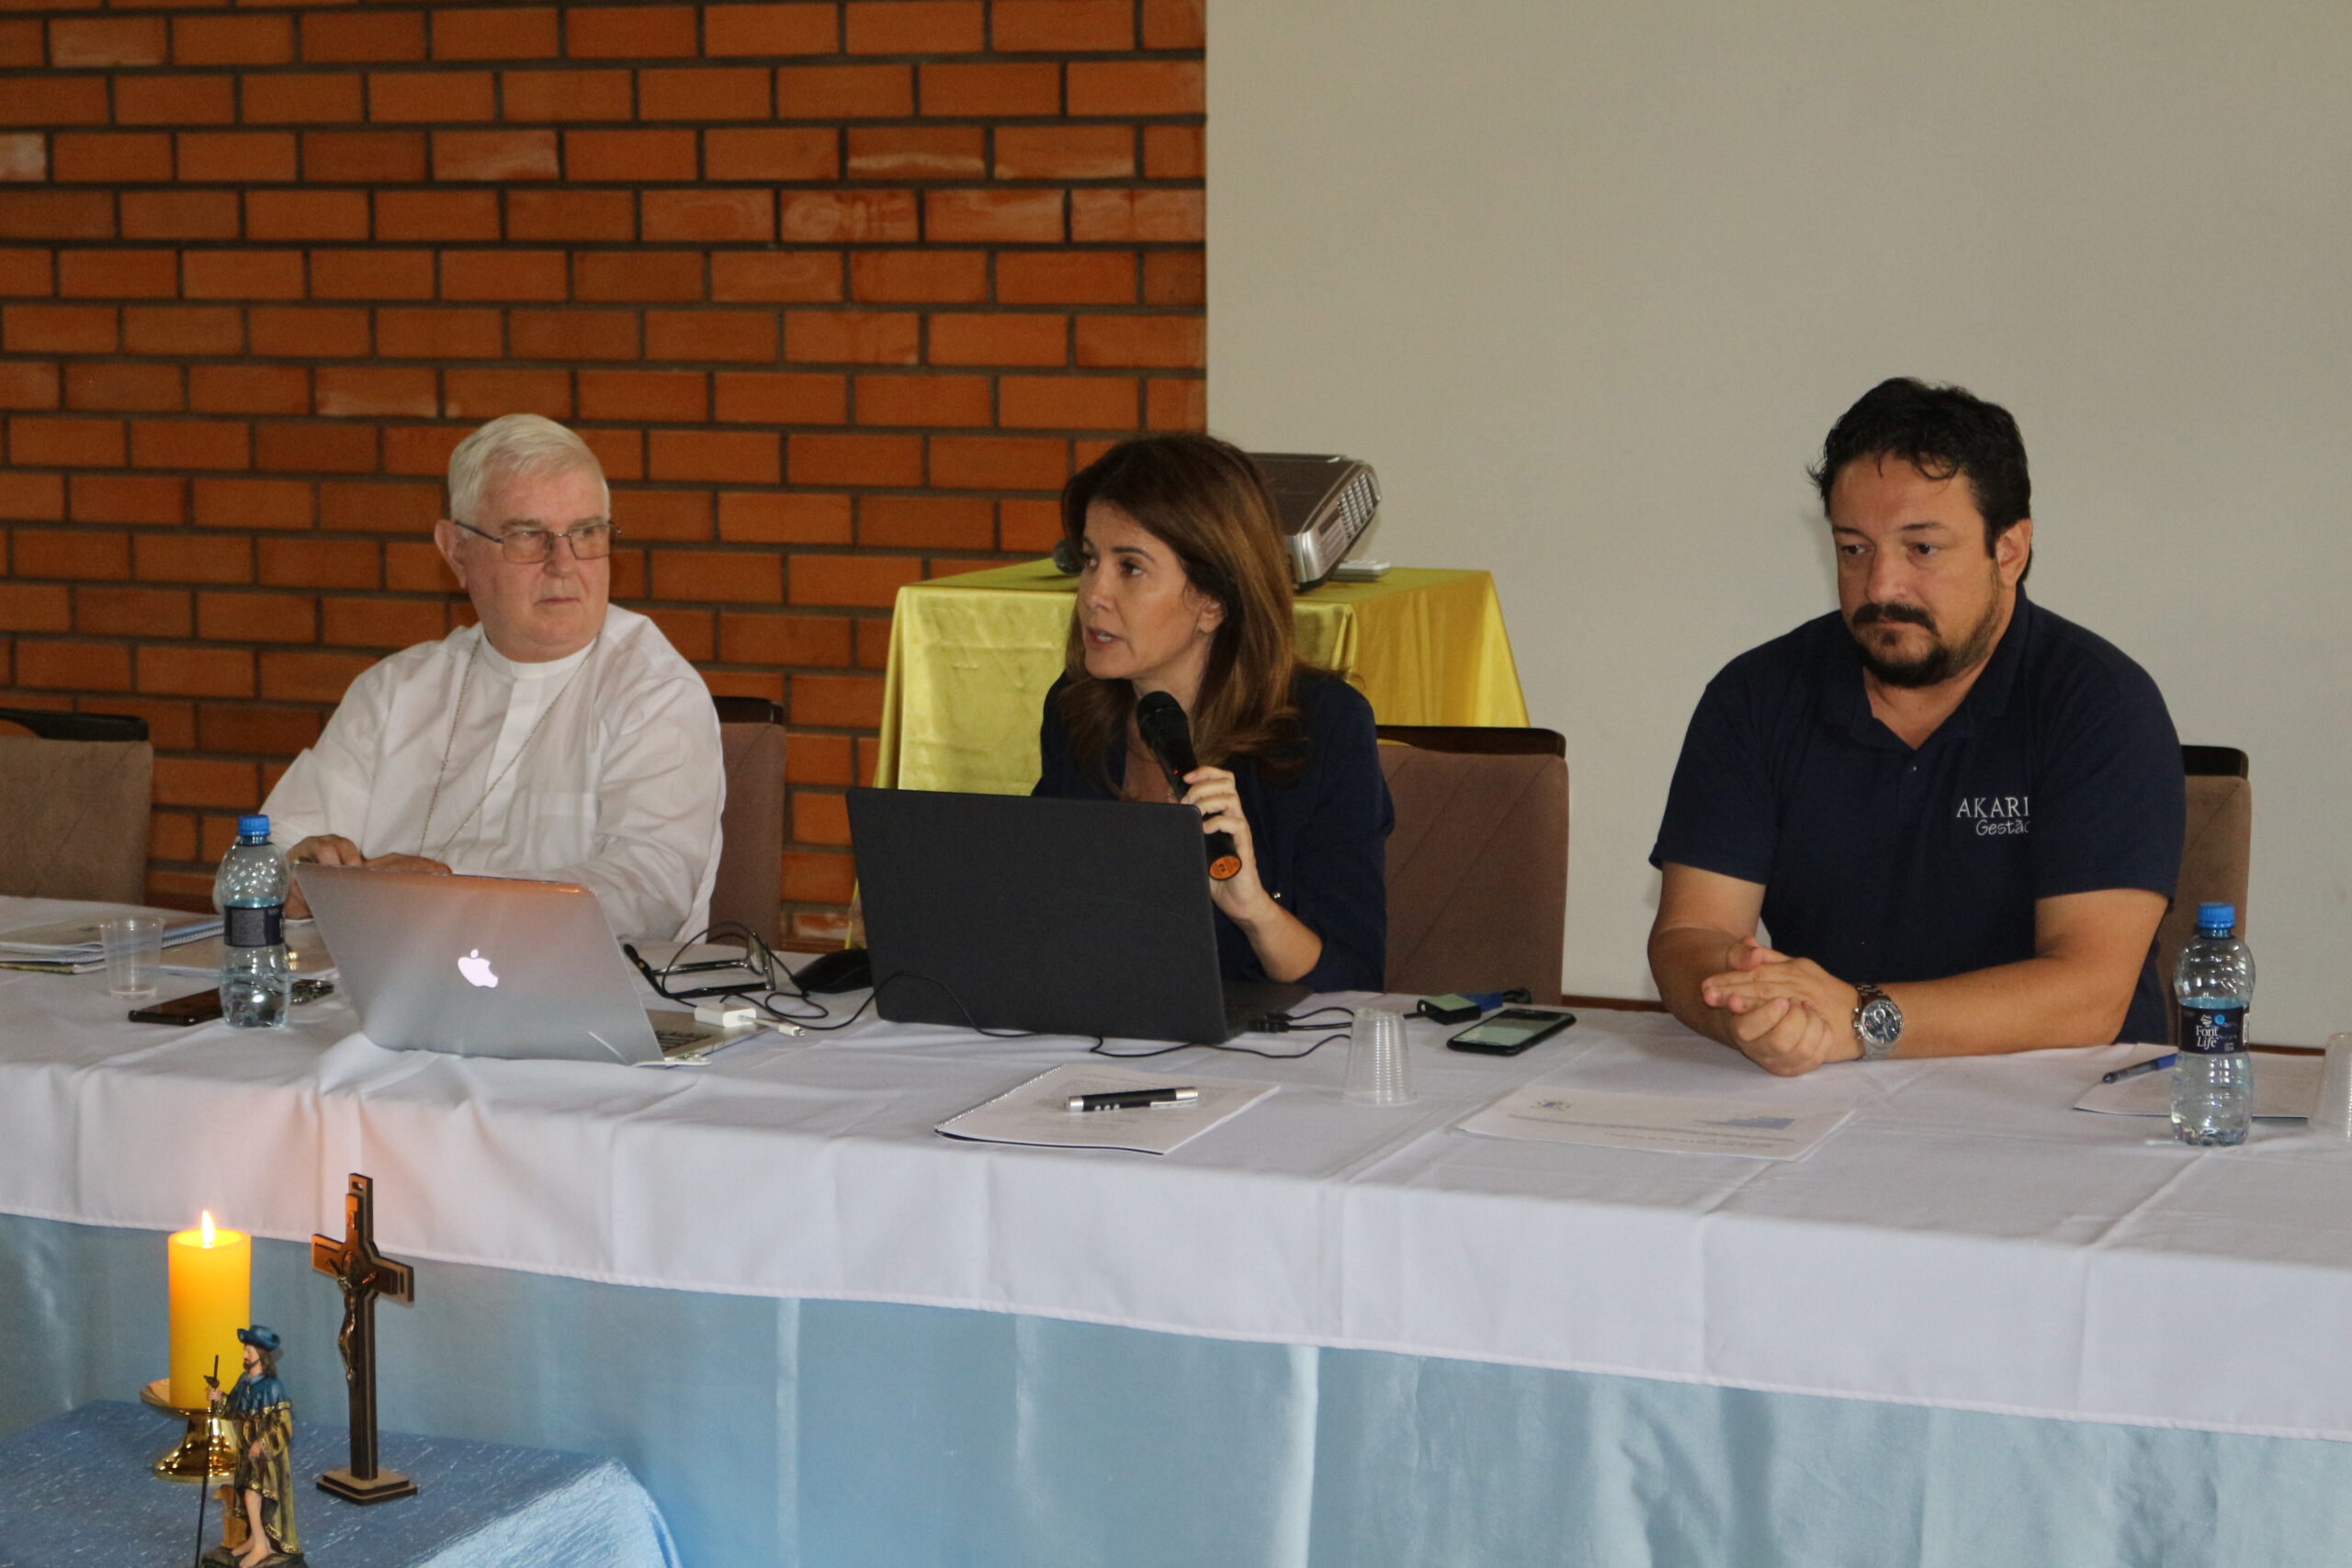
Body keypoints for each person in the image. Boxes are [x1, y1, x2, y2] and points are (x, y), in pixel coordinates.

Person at [1647, 378, 2184, 1076]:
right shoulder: (1756, 697)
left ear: (2010, 550)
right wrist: (1751, 1009)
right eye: (1854, 549)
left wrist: (1857, 1018)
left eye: (1922, 549)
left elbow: (2088, 993)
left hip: (2061, 1103)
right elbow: (1691, 933)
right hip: (1829, 1095)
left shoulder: (2100, 703)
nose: (1881, 586)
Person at [263, 414, 723, 942]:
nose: (563, 564)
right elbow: (261, 856)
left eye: (586, 533)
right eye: (528, 536)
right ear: (456, 551)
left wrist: (452, 892)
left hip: (582, 985)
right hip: (388, 976)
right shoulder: (395, 691)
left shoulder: (654, 692)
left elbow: (650, 892)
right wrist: (294, 875)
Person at [1033, 433, 1392, 992]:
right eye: (1090, 560)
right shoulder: (1078, 708)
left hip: (1254, 1037)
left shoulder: (1320, 729)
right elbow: (1044, 915)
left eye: (1130, 568)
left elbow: (1354, 979)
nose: (1093, 594)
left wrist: (1254, 912)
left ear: (1212, 601)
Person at [207, 1325, 300, 1567]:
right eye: (245, 1350)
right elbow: (233, 1410)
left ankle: (262, 1545)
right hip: (246, 1452)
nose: (245, 1355)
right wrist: (219, 1398)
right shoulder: (244, 1380)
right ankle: (254, 1538)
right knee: (246, 1495)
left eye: (249, 1351)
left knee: (252, 1497)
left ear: (262, 1355)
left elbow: (284, 1425)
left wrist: (262, 1442)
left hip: (266, 1459)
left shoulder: (272, 1387)